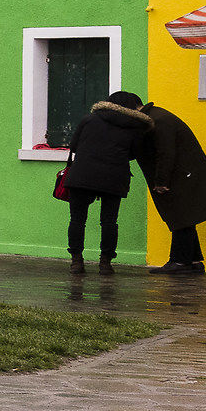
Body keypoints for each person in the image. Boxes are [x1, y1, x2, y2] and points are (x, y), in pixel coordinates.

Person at [125, 90, 206, 274]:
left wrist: (161, 181)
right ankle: (194, 261)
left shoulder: (157, 120)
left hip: (180, 176)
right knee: (185, 217)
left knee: (180, 217)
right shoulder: (155, 116)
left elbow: (166, 152)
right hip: (186, 174)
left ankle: (180, 262)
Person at [61, 91, 151, 274]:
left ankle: (76, 261)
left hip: (82, 176)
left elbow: (74, 146)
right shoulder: (133, 126)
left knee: (77, 220)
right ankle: (105, 263)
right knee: (109, 221)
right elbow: (134, 153)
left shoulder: (89, 119)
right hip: (114, 177)